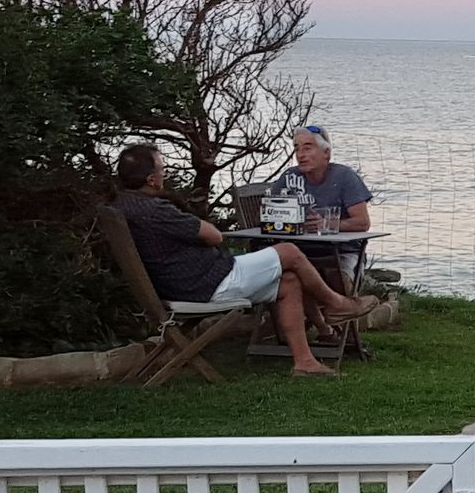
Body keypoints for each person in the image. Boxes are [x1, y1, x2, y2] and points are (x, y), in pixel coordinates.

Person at [109, 143, 363, 377]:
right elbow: (215, 235)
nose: (165, 174)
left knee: (288, 281)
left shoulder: (124, 205)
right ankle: (337, 305)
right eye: (162, 169)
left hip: (185, 282)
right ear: (152, 180)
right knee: (289, 251)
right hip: (207, 283)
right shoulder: (156, 211)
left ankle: (304, 362)